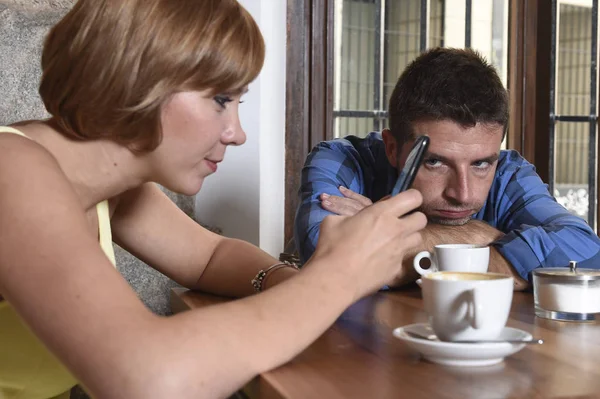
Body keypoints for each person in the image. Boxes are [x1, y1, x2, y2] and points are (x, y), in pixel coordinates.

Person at [0, 1, 427, 398]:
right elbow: (146, 378)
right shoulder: (11, 169)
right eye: (221, 100)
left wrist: (297, 289)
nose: (237, 133)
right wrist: (339, 276)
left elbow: (209, 257)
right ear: (135, 80)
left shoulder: (109, 186)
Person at [295, 47, 600, 291]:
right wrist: (497, 243)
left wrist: (386, 235)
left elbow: (587, 252)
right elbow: (324, 257)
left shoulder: (509, 174)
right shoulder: (342, 159)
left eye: (481, 163)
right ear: (392, 148)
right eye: (435, 162)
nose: (462, 194)